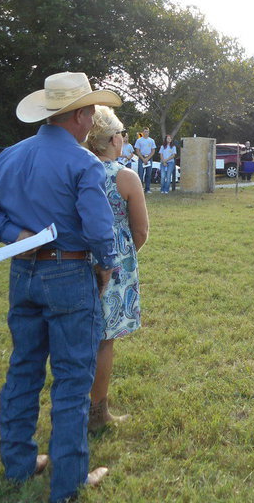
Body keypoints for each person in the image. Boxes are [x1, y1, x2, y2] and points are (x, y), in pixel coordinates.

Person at [0, 72, 120, 503]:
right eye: (90, 111)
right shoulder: (83, 162)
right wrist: (106, 266)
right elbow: (97, 226)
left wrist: (14, 234)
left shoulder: (12, 154)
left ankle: (18, 464)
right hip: (70, 275)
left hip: (24, 273)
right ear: (81, 115)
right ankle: (68, 481)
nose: (92, 119)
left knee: (23, 369)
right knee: (72, 379)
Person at [85, 106, 148, 431]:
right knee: (104, 341)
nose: (124, 139)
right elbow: (141, 231)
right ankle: (97, 413)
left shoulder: (75, 171)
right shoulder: (125, 176)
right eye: (122, 134)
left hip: (76, 261)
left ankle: (74, 407)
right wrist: (122, 257)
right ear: (113, 139)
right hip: (114, 266)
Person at [134, 127, 156, 193]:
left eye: (147, 131)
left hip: (149, 158)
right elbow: (137, 151)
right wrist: (143, 159)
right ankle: (140, 189)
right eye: (145, 131)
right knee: (140, 174)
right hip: (141, 158)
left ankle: (147, 189)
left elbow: (153, 151)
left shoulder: (151, 140)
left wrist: (147, 158)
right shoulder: (139, 140)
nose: (146, 133)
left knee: (148, 174)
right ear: (142, 132)